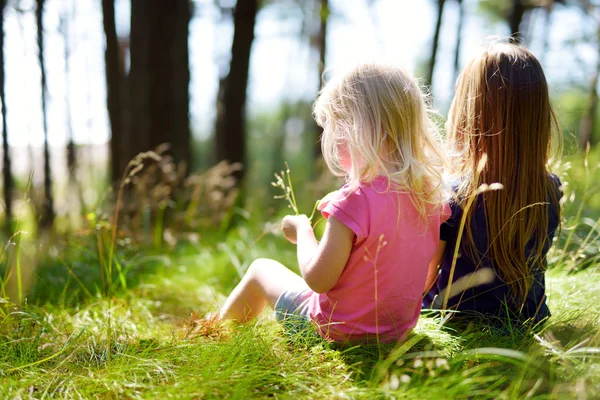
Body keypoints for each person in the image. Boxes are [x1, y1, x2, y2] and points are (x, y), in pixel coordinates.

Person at [218, 63, 450, 342]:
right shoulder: (429, 197)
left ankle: (216, 333)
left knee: (260, 270)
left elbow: (318, 280)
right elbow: (420, 273)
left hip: (332, 331)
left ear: (355, 128)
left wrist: (302, 231)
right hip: (395, 334)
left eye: (334, 126)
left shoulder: (353, 200)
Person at [423, 42, 563, 326]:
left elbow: (423, 279)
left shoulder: (454, 193)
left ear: (470, 112)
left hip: (456, 322)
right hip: (528, 320)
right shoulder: (551, 188)